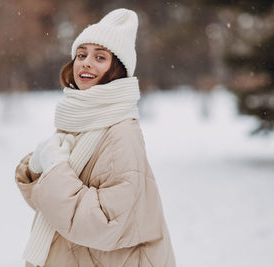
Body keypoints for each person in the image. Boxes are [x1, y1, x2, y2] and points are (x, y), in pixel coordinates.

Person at [15, 8, 176, 267]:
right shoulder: (79, 120)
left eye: (100, 57)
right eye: (81, 54)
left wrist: (55, 169)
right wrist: (37, 168)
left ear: (117, 70)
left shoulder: (121, 133)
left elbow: (105, 223)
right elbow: (53, 207)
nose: (86, 62)